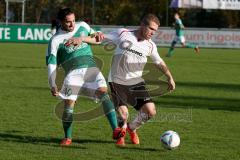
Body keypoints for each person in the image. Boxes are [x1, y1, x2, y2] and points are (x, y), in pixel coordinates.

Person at [46, 8, 125, 146]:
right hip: (72, 74)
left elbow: (97, 38)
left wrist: (87, 37)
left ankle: (116, 131)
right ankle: (68, 137)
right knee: (69, 105)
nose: (72, 25)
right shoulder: (55, 40)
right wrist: (52, 82)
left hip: (90, 68)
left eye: (73, 21)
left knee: (103, 93)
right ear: (60, 22)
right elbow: (52, 63)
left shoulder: (82, 26)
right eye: (68, 22)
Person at [104, 14, 176, 145]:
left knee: (150, 111)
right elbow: (101, 37)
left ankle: (132, 128)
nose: (153, 33)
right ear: (142, 25)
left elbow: (159, 62)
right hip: (117, 80)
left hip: (136, 81)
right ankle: (121, 134)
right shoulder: (123, 33)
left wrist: (170, 77)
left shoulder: (151, 46)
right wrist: (83, 39)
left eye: (155, 30)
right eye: (151, 29)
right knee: (123, 114)